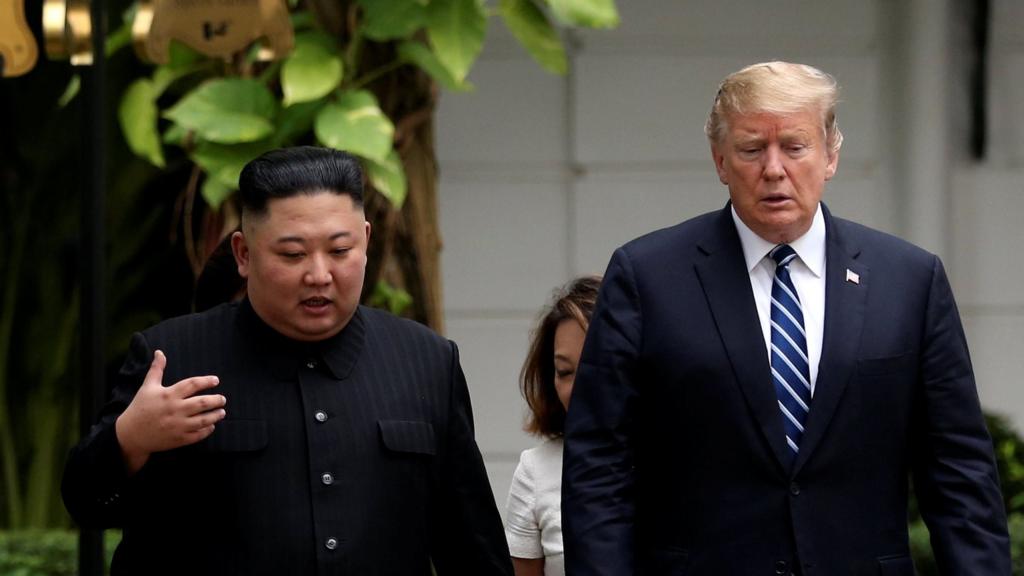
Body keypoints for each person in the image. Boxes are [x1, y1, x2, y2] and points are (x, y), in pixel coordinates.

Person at [561, 62, 1011, 575]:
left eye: (795, 147)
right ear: (720, 160)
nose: (774, 169)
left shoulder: (908, 279)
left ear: (830, 154)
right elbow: (599, 464)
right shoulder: (648, 276)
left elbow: (958, 470)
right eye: (752, 149)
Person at [62, 146, 513, 576]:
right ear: (243, 253)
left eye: (340, 251)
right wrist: (131, 439)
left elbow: (471, 543)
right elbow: (86, 502)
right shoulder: (174, 358)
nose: (319, 274)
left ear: (366, 241)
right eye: (292, 255)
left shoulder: (427, 361)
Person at [505, 276, 601, 576]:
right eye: (564, 372)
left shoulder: (682, 461)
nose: (576, 388)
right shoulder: (536, 471)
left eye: (592, 367)